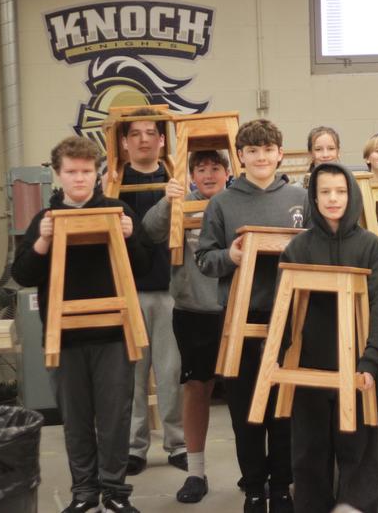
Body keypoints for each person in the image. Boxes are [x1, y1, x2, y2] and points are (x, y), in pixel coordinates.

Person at [12, 136, 151, 513]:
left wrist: (129, 237)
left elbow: (145, 268)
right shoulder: (44, 220)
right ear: (58, 174)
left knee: (115, 417)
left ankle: (115, 492)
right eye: (71, 172)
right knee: (74, 419)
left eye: (86, 171)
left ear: (97, 174)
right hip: (65, 337)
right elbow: (22, 273)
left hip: (114, 336)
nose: (79, 179)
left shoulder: (119, 213)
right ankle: (84, 493)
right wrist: (41, 243)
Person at [196, 119, 307, 513]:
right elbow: (204, 258)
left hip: (290, 317)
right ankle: (255, 488)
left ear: (280, 153)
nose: (261, 157)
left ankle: (282, 487)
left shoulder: (298, 197)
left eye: (268, 150)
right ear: (239, 157)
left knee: (283, 408)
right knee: (245, 410)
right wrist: (232, 256)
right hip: (241, 319)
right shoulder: (222, 203)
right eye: (252, 151)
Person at [280, 162, 378, 513]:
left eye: (341, 191)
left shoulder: (370, 247)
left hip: (358, 372)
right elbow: (283, 316)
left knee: (359, 458)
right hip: (310, 373)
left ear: (352, 194)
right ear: (313, 198)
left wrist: (370, 360)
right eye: (325, 192)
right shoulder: (298, 249)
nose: (333, 199)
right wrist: (281, 367)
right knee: (309, 459)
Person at [141, 150, 230, 503]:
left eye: (215, 168)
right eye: (201, 169)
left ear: (227, 172)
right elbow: (149, 231)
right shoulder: (182, 204)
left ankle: (254, 472)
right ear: (192, 174)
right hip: (192, 310)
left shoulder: (236, 202)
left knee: (246, 393)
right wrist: (168, 198)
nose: (208, 175)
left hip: (235, 311)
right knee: (196, 389)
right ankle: (195, 473)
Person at [117, 107, 187, 476]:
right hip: (126, 293)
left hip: (169, 290)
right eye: (135, 134)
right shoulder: (113, 185)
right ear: (125, 143)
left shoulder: (174, 180)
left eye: (151, 133)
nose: (143, 139)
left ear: (162, 140)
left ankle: (177, 443)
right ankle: (134, 447)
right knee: (132, 377)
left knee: (170, 372)